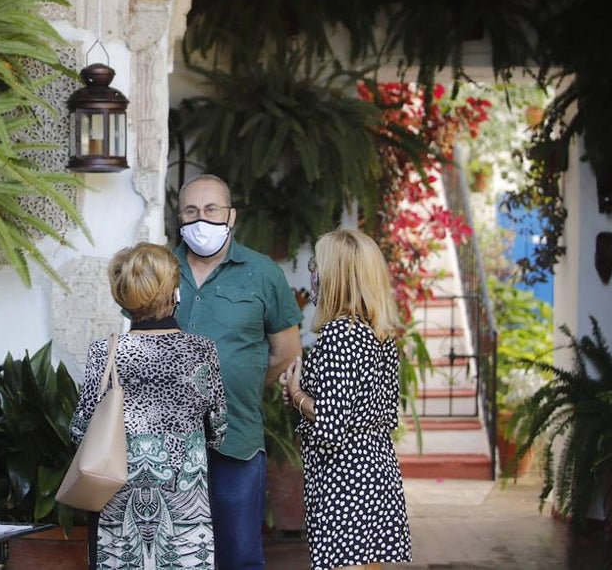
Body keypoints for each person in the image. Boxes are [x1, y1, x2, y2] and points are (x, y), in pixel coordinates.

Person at [172, 174, 303, 570]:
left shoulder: (262, 273)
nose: (201, 219)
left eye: (211, 210)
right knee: (171, 554)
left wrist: (241, 384)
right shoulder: (158, 267)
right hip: (165, 443)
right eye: (191, 211)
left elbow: (287, 352)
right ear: (178, 217)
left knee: (239, 555)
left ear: (231, 216)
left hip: (237, 437)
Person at [71, 242, 228, 570]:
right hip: (185, 507)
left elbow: (80, 431)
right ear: (174, 292)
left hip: (119, 507)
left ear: (123, 297)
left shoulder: (105, 353)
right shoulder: (201, 351)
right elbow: (218, 430)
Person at [279, 228, 412, 570]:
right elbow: (377, 412)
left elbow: (331, 425)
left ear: (334, 276)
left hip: (345, 479)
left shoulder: (340, 335)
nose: (312, 274)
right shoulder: (378, 334)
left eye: (316, 265)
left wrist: (296, 395)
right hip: (376, 469)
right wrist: (304, 393)